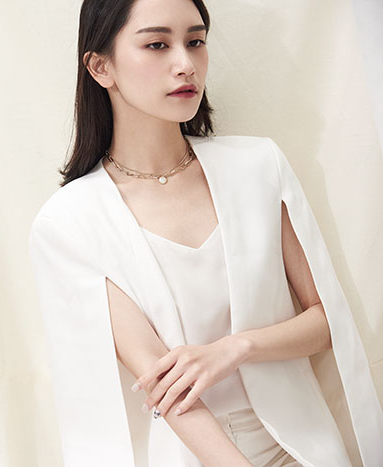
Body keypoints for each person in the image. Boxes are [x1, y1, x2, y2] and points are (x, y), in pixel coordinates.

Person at [28, 0, 383, 466]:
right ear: (100, 67)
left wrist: (235, 348)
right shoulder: (70, 222)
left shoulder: (257, 167)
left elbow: (326, 319)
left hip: (299, 444)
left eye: (195, 41)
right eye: (157, 45)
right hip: (189, 452)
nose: (185, 63)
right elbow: (164, 385)